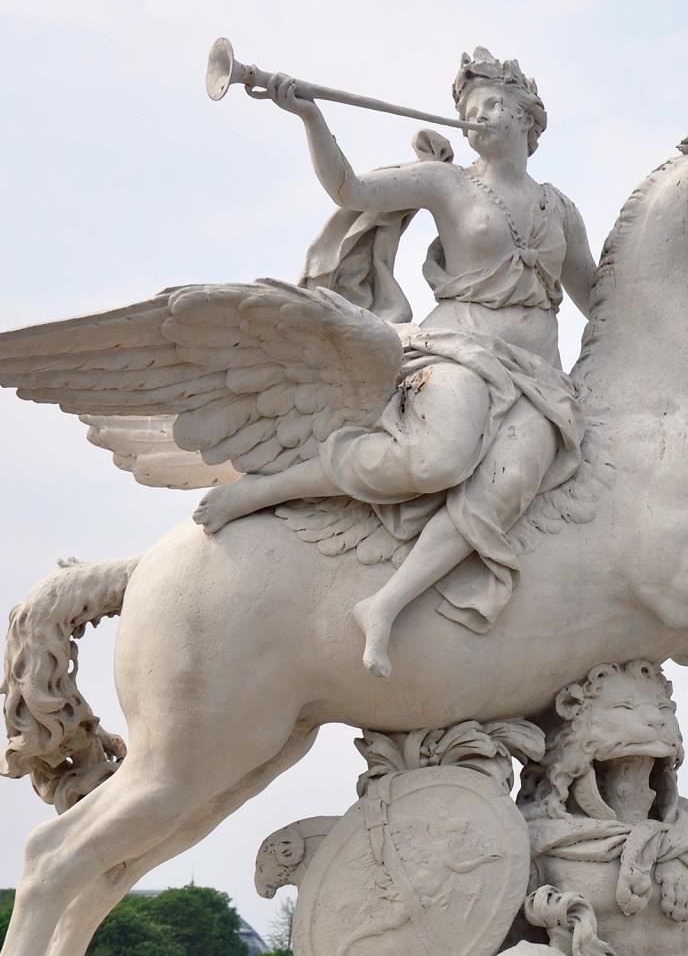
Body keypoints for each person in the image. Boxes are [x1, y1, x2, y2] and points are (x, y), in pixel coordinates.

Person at [195, 48, 599, 678]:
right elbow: (349, 189)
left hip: (539, 376)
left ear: (527, 118)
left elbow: (597, 299)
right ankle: (266, 491)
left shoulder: (558, 209)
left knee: (508, 485)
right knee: (436, 458)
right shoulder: (449, 184)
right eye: (470, 110)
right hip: (458, 352)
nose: (481, 117)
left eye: (494, 105)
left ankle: (383, 605)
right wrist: (309, 118)